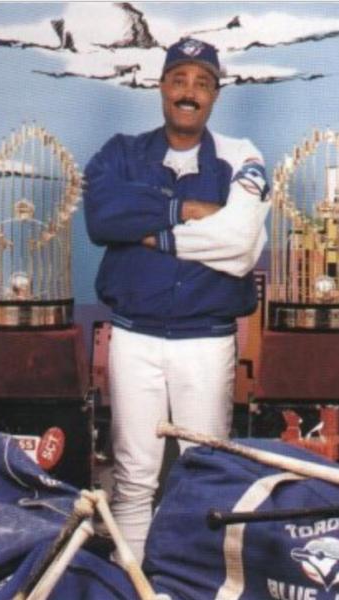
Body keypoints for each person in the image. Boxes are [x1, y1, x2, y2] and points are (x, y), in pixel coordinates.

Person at [83, 38, 271, 564]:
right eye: (180, 80)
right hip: (134, 337)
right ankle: (132, 586)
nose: (190, 92)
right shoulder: (122, 152)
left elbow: (240, 245)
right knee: (133, 477)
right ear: (162, 86)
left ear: (216, 94)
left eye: (203, 83)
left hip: (205, 341)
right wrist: (184, 209)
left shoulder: (240, 155)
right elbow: (102, 218)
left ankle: (193, 586)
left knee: (205, 475)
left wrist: (151, 233)